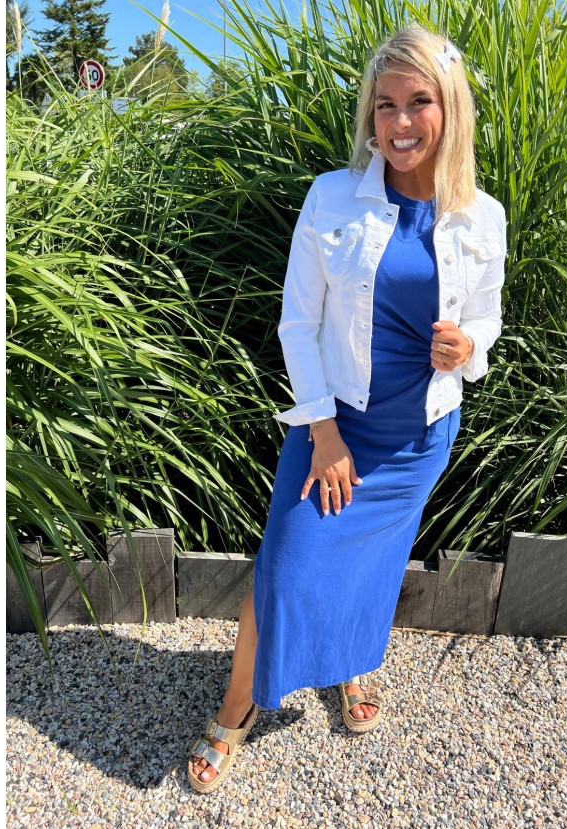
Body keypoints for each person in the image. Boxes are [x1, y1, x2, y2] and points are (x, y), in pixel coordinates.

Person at [187, 24, 506, 793]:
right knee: (286, 566)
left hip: (419, 435)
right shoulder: (333, 196)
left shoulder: (482, 215)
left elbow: (488, 317)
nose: (399, 122)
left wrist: (468, 347)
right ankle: (235, 708)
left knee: (372, 564)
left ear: (448, 107)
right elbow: (297, 323)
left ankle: (352, 664)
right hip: (334, 426)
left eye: (418, 101)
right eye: (384, 105)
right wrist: (325, 435)